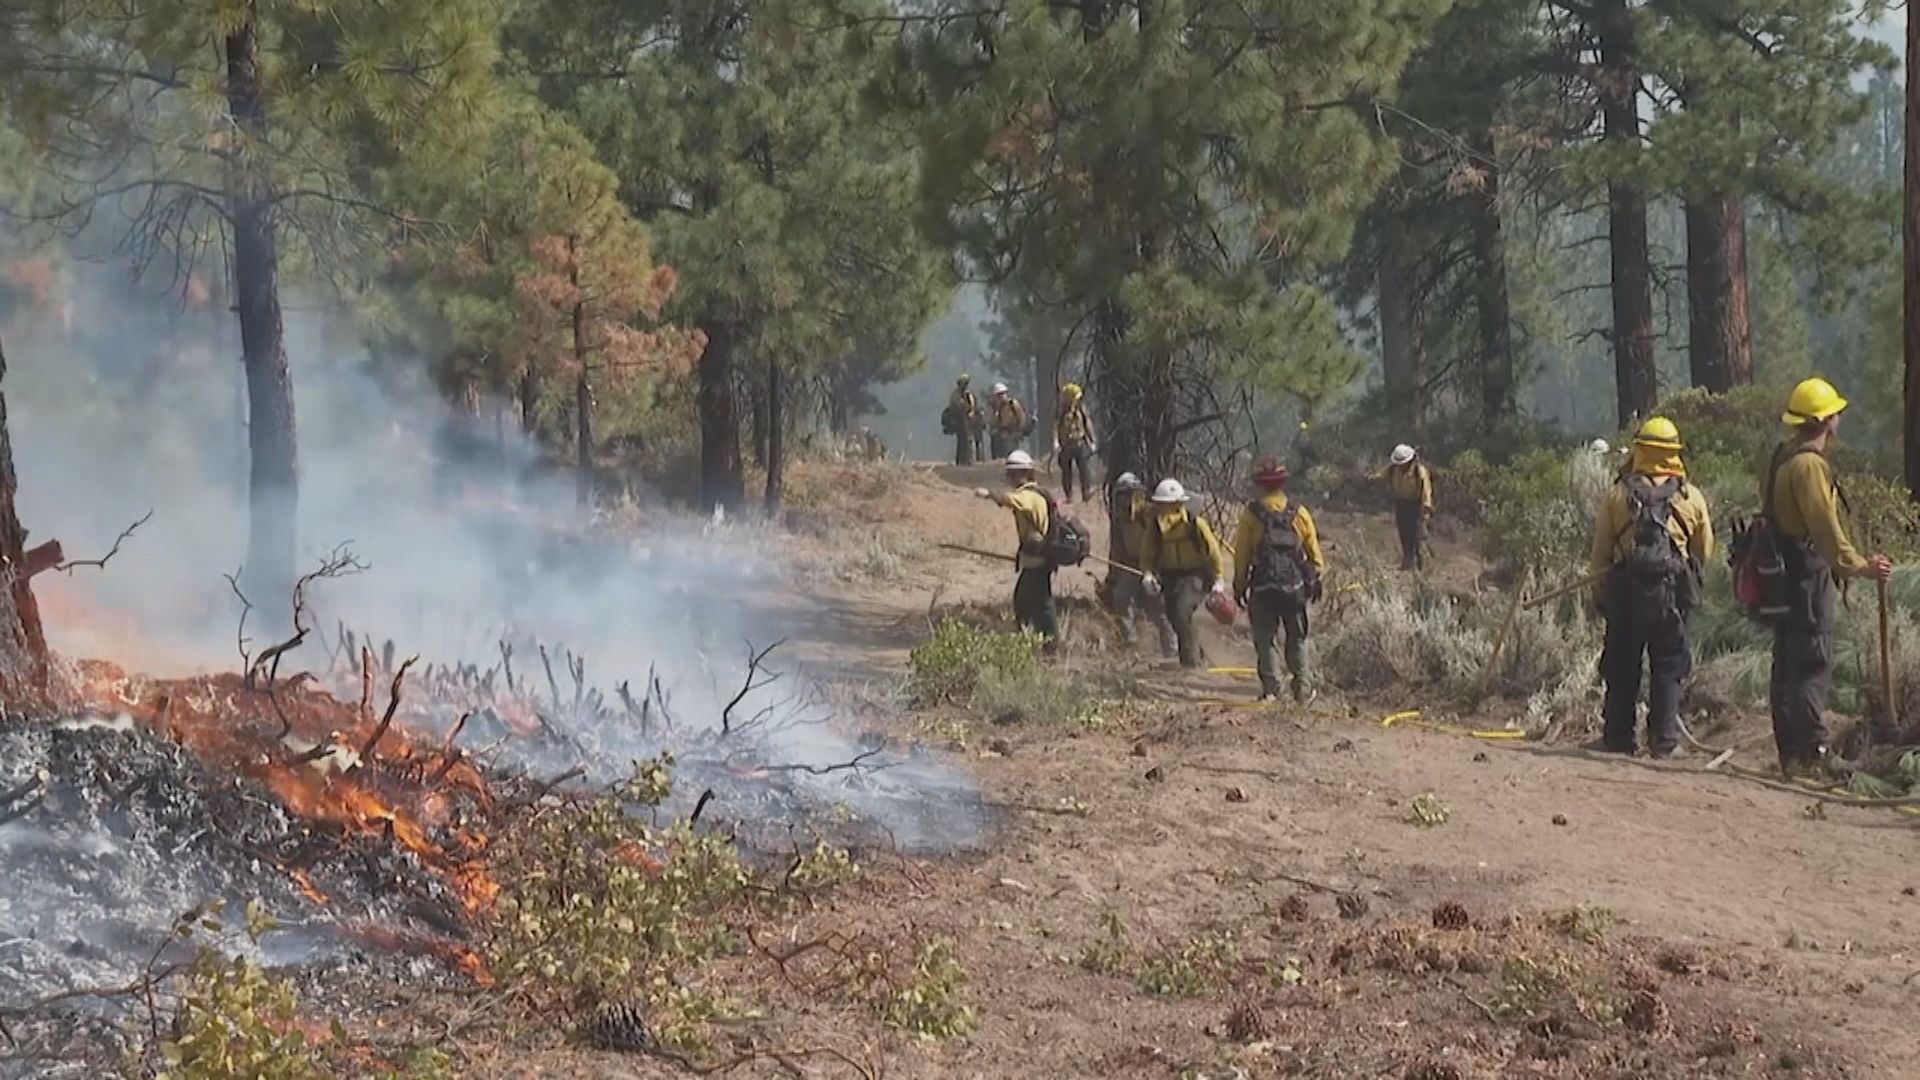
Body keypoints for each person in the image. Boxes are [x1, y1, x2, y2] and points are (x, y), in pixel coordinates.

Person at [1766, 378, 1894, 777]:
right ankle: (1817, 755)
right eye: (1835, 412)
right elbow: (1824, 528)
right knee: (1811, 663)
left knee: (1787, 663)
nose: (1839, 417)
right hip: (1806, 577)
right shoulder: (1808, 466)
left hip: (1785, 578)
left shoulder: (1784, 458)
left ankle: (1792, 757)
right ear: (1824, 420)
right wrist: (1859, 566)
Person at [1585, 417, 1713, 759]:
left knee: (1623, 665)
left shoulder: (1617, 494)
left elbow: (1600, 553)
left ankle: (1617, 739)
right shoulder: (1691, 498)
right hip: (1672, 596)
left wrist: (1601, 594)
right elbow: (1704, 551)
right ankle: (1665, 742)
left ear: (1639, 450)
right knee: (1669, 665)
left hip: (1626, 594)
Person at [1232, 457, 1325, 703]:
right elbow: (1315, 554)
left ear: (1260, 485)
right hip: (1294, 587)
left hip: (1263, 587)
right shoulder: (1299, 512)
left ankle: (1272, 691)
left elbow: (1241, 554)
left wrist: (1239, 586)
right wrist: (1315, 578)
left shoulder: (1251, 515)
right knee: (1297, 639)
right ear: (1282, 483)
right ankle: (1303, 690)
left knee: (1265, 639)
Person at [1139, 478, 1227, 670]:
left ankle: (1191, 664)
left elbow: (1213, 551)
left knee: (1182, 611)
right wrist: (1147, 574)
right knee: (1174, 616)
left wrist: (1219, 578)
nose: (1163, 509)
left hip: (1195, 575)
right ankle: (1196, 653)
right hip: (1170, 576)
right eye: (1161, 504)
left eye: (1167, 504)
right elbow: (1148, 554)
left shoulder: (1195, 523)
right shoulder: (1155, 527)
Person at [975, 450, 1056, 641]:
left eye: (1013, 473)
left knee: (1032, 603)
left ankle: (1045, 643)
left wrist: (988, 494)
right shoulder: (1036, 494)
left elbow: (1011, 500)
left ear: (1025, 473)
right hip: (1035, 558)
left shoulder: (1028, 496)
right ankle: (1040, 641)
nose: (1010, 477)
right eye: (1009, 473)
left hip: (1037, 559)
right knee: (1036, 602)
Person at [1106, 472, 1174, 655]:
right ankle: (1130, 646)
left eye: (1128, 494)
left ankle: (1173, 650)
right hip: (1130, 566)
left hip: (1152, 568)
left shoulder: (1149, 514)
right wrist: (1112, 574)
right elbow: (1117, 548)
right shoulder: (1119, 519)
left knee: (1159, 610)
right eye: (1121, 495)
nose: (1124, 500)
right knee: (1122, 602)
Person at [1386, 444, 1432, 571]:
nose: (1401, 466)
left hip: (1415, 506)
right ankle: (1408, 562)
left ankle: (1422, 565)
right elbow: (1380, 477)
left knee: (1417, 535)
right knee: (1404, 533)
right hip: (1401, 504)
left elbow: (1426, 490)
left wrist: (1426, 507)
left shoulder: (1419, 472)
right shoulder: (1392, 470)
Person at [1054, 383, 1097, 502]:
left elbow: (1087, 423)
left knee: (1084, 469)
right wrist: (1055, 442)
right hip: (1066, 444)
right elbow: (1055, 426)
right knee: (1066, 471)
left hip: (1080, 442)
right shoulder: (1061, 411)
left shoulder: (1081, 409)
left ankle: (1086, 492)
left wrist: (1092, 440)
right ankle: (1069, 495)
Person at [944, 375, 982, 465]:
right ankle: (961, 460)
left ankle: (970, 460)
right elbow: (957, 406)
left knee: (970, 440)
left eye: (966, 383)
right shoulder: (955, 394)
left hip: (969, 421)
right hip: (959, 421)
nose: (965, 385)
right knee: (962, 440)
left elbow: (973, 406)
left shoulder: (969, 394)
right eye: (964, 383)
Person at [987, 382, 1029, 460]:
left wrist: (1020, 431)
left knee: (1013, 452)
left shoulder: (1013, 404)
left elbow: (1021, 417)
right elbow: (996, 421)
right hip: (1004, 433)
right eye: (999, 395)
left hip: (1014, 431)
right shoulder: (999, 408)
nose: (1001, 397)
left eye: (1002, 394)